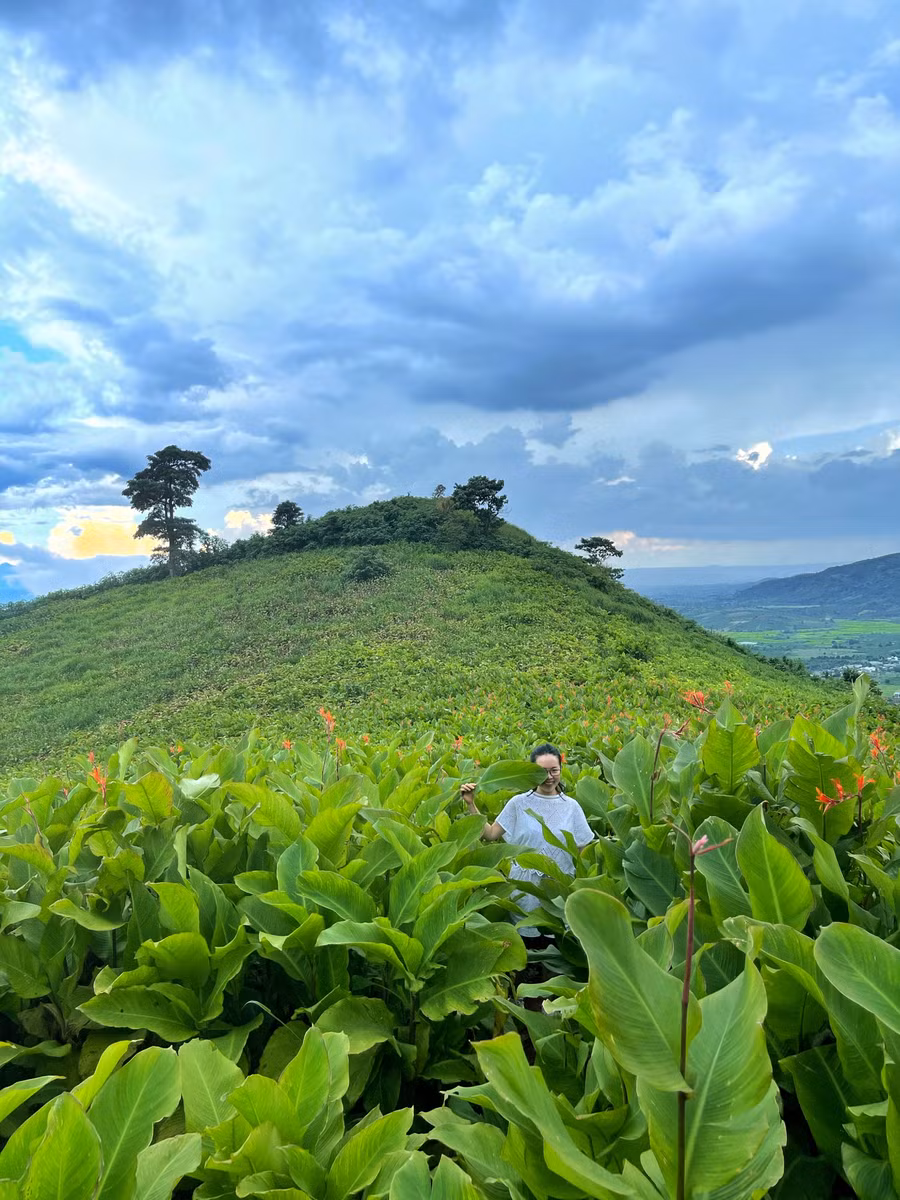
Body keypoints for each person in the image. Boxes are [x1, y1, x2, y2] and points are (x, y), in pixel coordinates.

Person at [460, 743, 594, 938]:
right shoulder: (518, 803)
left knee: (557, 941)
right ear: (532, 772)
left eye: (554, 770)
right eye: (542, 771)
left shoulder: (571, 807)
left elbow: (583, 849)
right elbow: (489, 835)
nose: (549, 777)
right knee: (527, 943)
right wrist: (471, 804)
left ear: (561, 770)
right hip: (525, 888)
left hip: (558, 889)